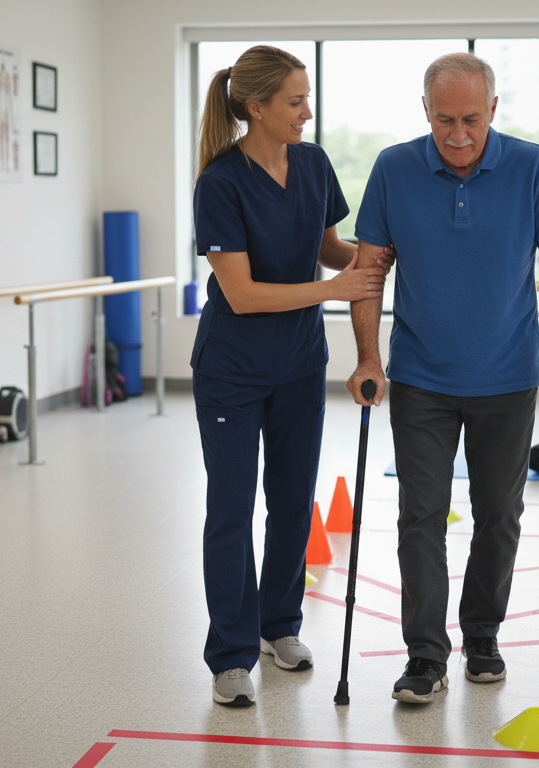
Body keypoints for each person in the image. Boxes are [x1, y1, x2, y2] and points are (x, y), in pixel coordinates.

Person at [347, 53, 539, 704]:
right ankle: (425, 655)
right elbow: (369, 272)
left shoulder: (530, 166)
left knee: (498, 516)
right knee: (418, 517)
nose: (457, 134)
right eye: (443, 119)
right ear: (425, 113)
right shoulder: (394, 169)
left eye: (471, 119)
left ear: (493, 112)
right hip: (420, 376)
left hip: (507, 378)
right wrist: (368, 358)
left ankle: (481, 636)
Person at [191, 45, 393, 707]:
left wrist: (385, 258)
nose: (307, 113)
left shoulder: (310, 164)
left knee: (289, 505)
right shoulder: (219, 182)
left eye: (306, 99)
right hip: (231, 370)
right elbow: (243, 294)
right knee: (229, 511)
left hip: (299, 366)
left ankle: (279, 627)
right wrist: (334, 288)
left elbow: (328, 249)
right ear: (256, 107)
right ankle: (228, 656)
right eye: (294, 102)